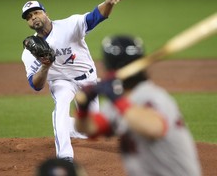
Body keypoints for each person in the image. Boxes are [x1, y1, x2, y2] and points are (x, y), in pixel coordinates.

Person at [74, 35, 202, 176]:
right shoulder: (120, 102)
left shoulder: (152, 96)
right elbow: (89, 128)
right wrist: (83, 108)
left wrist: (116, 99)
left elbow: (154, 128)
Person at [21, 0, 125, 162]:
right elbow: (36, 85)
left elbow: (95, 17)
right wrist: (45, 66)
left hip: (87, 79)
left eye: (36, 13)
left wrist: (108, 3)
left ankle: (63, 126)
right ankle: (65, 156)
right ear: (28, 23)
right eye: (29, 17)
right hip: (61, 81)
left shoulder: (69, 25)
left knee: (91, 129)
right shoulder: (30, 52)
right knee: (61, 107)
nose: (34, 18)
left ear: (46, 14)